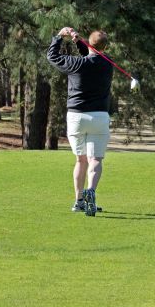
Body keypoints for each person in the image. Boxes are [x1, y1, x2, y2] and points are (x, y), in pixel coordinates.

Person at [47, 27, 114, 216]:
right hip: (99, 116)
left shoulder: (75, 64)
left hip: (77, 117)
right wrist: (79, 42)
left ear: (89, 44)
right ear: (105, 46)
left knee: (81, 160)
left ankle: (78, 201)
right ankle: (90, 191)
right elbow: (93, 57)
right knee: (96, 159)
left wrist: (60, 37)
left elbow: (52, 56)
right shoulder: (108, 64)